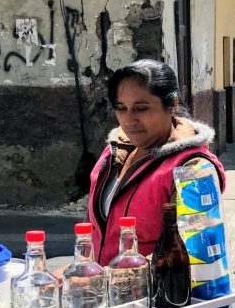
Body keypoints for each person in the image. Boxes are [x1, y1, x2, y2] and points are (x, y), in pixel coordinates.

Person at [89, 59, 225, 266]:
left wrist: (109, 278)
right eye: (121, 108)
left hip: (158, 295)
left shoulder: (193, 169)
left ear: (172, 105)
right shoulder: (113, 154)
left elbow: (192, 252)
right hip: (106, 294)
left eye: (141, 108)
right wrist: (81, 268)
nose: (128, 120)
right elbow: (92, 229)